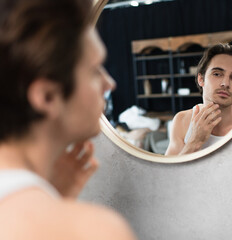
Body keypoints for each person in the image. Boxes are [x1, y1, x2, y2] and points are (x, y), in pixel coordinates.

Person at [0, 0, 136, 239]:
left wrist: (51, 196)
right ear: (47, 96)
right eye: (95, 70)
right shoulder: (94, 230)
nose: (109, 84)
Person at [165, 43, 232, 155]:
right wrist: (194, 142)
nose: (225, 83)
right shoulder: (182, 121)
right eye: (217, 74)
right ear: (201, 79)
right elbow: (171, 172)